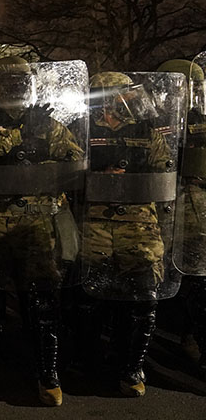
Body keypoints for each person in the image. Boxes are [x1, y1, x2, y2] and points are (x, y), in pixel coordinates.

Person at [0, 56, 86, 406]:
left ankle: (47, 371)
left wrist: (42, 168)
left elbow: (75, 161)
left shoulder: (49, 125)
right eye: (8, 84)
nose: (15, 90)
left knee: (40, 297)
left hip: (36, 218)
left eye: (20, 84)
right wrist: (19, 136)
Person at [77, 71, 181, 397]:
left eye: (118, 93)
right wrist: (97, 175)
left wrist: (133, 175)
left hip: (139, 221)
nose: (112, 100)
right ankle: (90, 361)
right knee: (94, 294)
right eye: (104, 94)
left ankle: (132, 366)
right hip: (96, 220)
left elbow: (164, 167)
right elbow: (67, 169)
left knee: (143, 295)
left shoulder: (147, 130)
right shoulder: (84, 129)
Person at [159, 59, 206, 378]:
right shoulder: (153, 119)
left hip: (196, 207)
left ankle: (193, 337)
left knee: (197, 277)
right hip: (162, 204)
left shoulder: (200, 121)